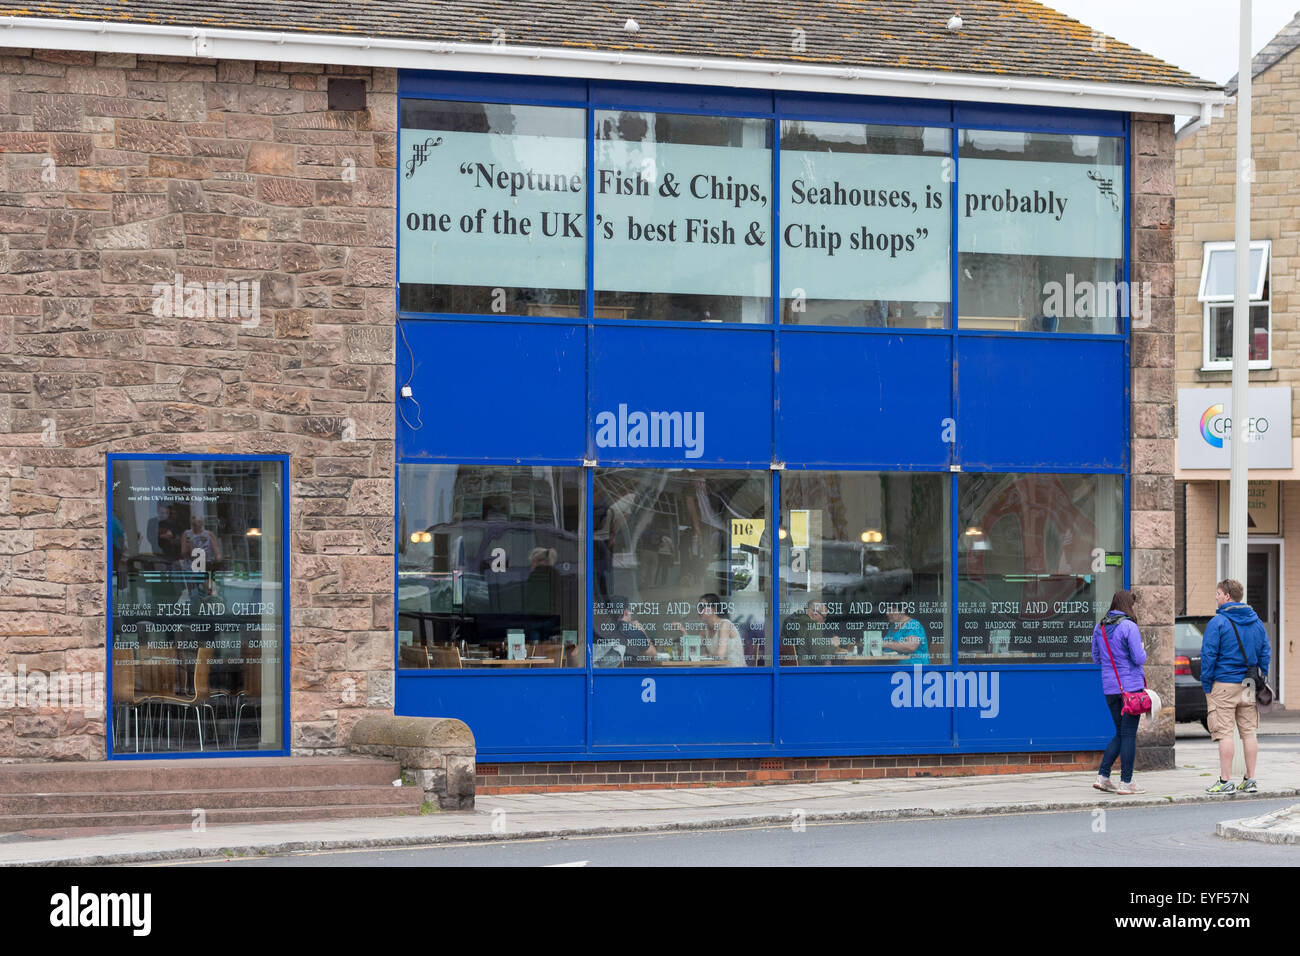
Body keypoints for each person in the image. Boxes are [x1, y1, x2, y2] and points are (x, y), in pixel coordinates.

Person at [1200, 578, 1271, 794]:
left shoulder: (1218, 623)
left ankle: (1225, 781)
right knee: (1249, 732)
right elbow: (1265, 652)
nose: (1216, 596)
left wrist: (1206, 683)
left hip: (1223, 683)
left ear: (1227, 596)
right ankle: (1250, 779)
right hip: (1249, 683)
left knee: (1225, 733)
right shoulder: (1256, 622)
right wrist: (1262, 677)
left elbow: (1209, 655)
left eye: (1218, 593)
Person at [1090, 589, 1147, 795]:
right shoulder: (1129, 627)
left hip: (1110, 688)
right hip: (1130, 688)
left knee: (1120, 733)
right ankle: (1126, 782)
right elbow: (1139, 658)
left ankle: (1103, 777)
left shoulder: (1100, 627)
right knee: (1129, 734)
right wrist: (1142, 648)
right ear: (1127, 605)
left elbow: (1096, 658)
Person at [697, 593, 745, 667]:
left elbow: (720, 656)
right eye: (698, 607)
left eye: (702, 606)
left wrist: (704, 657)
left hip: (734, 672)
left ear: (713, 609)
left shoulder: (724, 624)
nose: (699, 610)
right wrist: (683, 631)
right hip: (717, 672)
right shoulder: (704, 629)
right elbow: (692, 647)